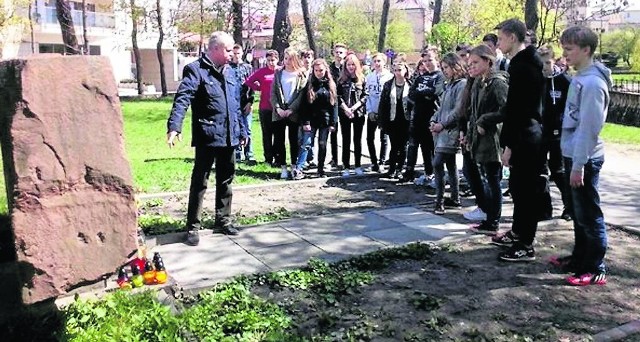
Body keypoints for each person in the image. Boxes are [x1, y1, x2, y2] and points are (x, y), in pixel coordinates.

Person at [167, 31, 246, 246]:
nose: (232, 54)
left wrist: (242, 132)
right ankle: (193, 227)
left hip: (229, 135)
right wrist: (175, 126)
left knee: (226, 179)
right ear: (215, 49)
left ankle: (223, 220)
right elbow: (183, 99)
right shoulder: (196, 70)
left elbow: (235, 106)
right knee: (200, 182)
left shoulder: (231, 72)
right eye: (228, 50)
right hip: (208, 136)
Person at [553, 25, 611, 286]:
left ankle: (595, 267)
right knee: (578, 213)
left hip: (584, 158)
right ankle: (579, 258)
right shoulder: (580, 77)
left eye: (569, 49)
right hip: (572, 153)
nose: (564, 54)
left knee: (589, 213)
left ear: (586, 50)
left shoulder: (593, 83)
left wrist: (579, 164)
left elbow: (589, 128)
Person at [492, 18, 546, 262]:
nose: (499, 43)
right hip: (525, 134)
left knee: (525, 192)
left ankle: (526, 243)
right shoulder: (520, 63)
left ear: (513, 37)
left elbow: (518, 110)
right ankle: (517, 231)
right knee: (517, 188)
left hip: (526, 137)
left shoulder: (524, 66)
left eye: (501, 38)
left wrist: (509, 145)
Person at [464, 45, 509, 234]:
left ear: (488, 62)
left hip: (492, 139)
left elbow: (507, 110)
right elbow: (472, 113)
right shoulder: (477, 82)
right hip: (478, 139)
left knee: (493, 180)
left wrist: (485, 120)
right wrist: (468, 134)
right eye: (469, 64)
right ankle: (488, 217)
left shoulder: (497, 83)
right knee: (485, 179)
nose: (471, 67)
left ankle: (493, 221)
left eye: (475, 62)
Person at [429, 53, 467, 215]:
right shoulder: (449, 85)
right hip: (442, 130)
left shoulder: (461, 84)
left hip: (450, 131)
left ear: (455, 66)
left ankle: (439, 201)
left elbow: (458, 110)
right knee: (450, 164)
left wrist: (442, 124)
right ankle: (455, 197)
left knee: (438, 163)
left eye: (446, 67)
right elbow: (442, 108)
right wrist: (434, 120)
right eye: (442, 68)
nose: (444, 71)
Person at [538, 44, 573, 221]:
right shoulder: (538, 80)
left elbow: (569, 108)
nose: (544, 67)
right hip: (540, 132)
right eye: (541, 63)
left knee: (557, 170)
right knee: (540, 171)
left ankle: (570, 206)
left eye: (547, 63)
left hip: (558, 132)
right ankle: (545, 209)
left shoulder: (564, 81)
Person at [293, 58, 339, 179]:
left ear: (325, 70)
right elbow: (304, 105)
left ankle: (320, 169)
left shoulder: (331, 85)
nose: (319, 72)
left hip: (325, 120)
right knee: (306, 144)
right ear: (313, 71)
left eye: (321, 70)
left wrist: (333, 122)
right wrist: (306, 122)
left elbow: (334, 105)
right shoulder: (309, 84)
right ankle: (299, 168)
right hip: (311, 120)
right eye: (317, 70)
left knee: (322, 144)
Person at [402, 51, 444, 183]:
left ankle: (436, 175)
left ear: (436, 59)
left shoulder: (440, 76)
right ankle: (427, 173)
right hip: (418, 116)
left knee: (432, 148)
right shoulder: (421, 77)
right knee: (422, 147)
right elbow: (411, 93)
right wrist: (424, 94)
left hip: (433, 116)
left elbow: (436, 92)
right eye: (425, 61)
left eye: (430, 60)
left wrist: (422, 93)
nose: (427, 64)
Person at [270, 47, 308, 179]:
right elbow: (273, 93)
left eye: (290, 59)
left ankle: (294, 166)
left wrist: (291, 109)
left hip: (294, 113)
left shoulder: (301, 74)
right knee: (279, 141)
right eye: (285, 58)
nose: (287, 61)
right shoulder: (278, 73)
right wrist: (278, 108)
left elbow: (301, 95)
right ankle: (283, 167)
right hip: (279, 112)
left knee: (294, 140)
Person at [379, 61, 412, 179]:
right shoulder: (388, 85)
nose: (398, 73)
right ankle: (391, 169)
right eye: (396, 70)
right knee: (394, 146)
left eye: (400, 70)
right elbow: (383, 104)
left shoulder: (410, 84)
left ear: (406, 71)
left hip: (405, 120)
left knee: (403, 146)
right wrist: (382, 122)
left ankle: (400, 169)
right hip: (392, 120)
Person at [245, 50, 278, 165]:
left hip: (278, 108)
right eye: (268, 60)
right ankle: (268, 158)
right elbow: (248, 81)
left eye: (273, 60)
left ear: (277, 60)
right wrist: (259, 88)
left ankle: (278, 157)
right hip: (265, 107)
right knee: (267, 134)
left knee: (278, 134)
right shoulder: (262, 72)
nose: (270, 63)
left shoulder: (280, 71)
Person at [337, 53, 368, 176]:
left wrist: (354, 108)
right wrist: (346, 109)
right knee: (346, 140)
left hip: (358, 113)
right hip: (345, 113)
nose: (351, 67)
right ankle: (345, 166)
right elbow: (338, 97)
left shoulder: (362, 79)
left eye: (353, 65)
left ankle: (358, 165)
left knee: (357, 140)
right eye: (349, 65)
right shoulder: (341, 80)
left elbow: (365, 96)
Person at [365, 52, 393, 172]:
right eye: (375, 61)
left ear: (384, 62)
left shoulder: (389, 77)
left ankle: (382, 161)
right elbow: (367, 95)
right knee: (369, 138)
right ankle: (373, 161)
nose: (377, 64)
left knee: (384, 138)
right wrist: (369, 111)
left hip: (384, 113)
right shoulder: (369, 77)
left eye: (379, 61)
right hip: (372, 110)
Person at [230, 44, 256, 165]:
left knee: (247, 128)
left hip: (245, 102)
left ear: (242, 54)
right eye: (234, 53)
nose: (236, 56)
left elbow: (252, 86)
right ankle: (237, 152)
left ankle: (249, 153)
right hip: (232, 104)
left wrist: (250, 102)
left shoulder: (248, 68)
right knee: (235, 129)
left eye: (238, 53)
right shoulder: (227, 67)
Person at [328, 43, 348, 168]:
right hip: (332, 104)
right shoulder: (329, 68)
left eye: (341, 52)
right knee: (333, 132)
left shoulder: (348, 68)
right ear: (333, 53)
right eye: (337, 52)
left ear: (345, 54)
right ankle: (334, 159)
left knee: (346, 134)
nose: (339, 55)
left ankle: (345, 160)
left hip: (345, 104)